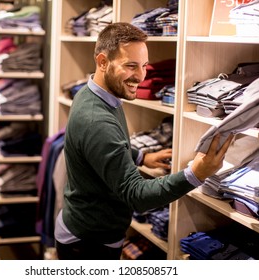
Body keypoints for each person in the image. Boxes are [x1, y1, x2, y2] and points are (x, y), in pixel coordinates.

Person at [54, 22, 233, 260]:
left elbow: (101, 151)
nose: (140, 75)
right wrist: (196, 174)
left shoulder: (93, 94)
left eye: (144, 66)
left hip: (86, 228)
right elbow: (136, 196)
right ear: (102, 62)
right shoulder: (97, 120)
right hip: (88, 242)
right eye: (130, 66)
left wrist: (142, 156)